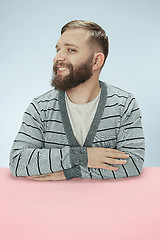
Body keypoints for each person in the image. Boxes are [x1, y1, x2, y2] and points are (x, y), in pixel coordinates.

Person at [9, 20, 145, 181]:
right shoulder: (41, 107)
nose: (57, 57)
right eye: (58, 49)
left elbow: (133, 163)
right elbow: (18, 162)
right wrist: (83, 156)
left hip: (108, 203)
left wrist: (70, 172)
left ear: (96, 61)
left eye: (71, 50)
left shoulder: (124, 104)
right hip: (49, 203)